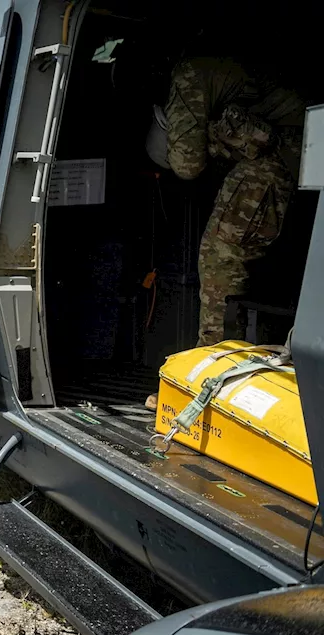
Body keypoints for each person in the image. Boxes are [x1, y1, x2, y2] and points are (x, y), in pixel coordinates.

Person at [143, 55, 305, 409]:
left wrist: (199, 138)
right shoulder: (214, 65)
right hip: (287, 152)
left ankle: (207, 387)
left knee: (220, 265)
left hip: (280, 157)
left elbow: (186, 164)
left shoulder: (189, 74)